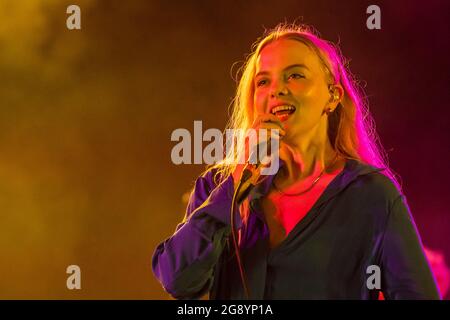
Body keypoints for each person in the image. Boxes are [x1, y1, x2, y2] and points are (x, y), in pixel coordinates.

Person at [152, 23, 440, 299]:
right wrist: (237, 184)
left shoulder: (371, 195)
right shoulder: (219, 186)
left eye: (295, 76)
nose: (276, 89)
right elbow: (178, 280)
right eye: (263, 81)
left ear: (333, 96)